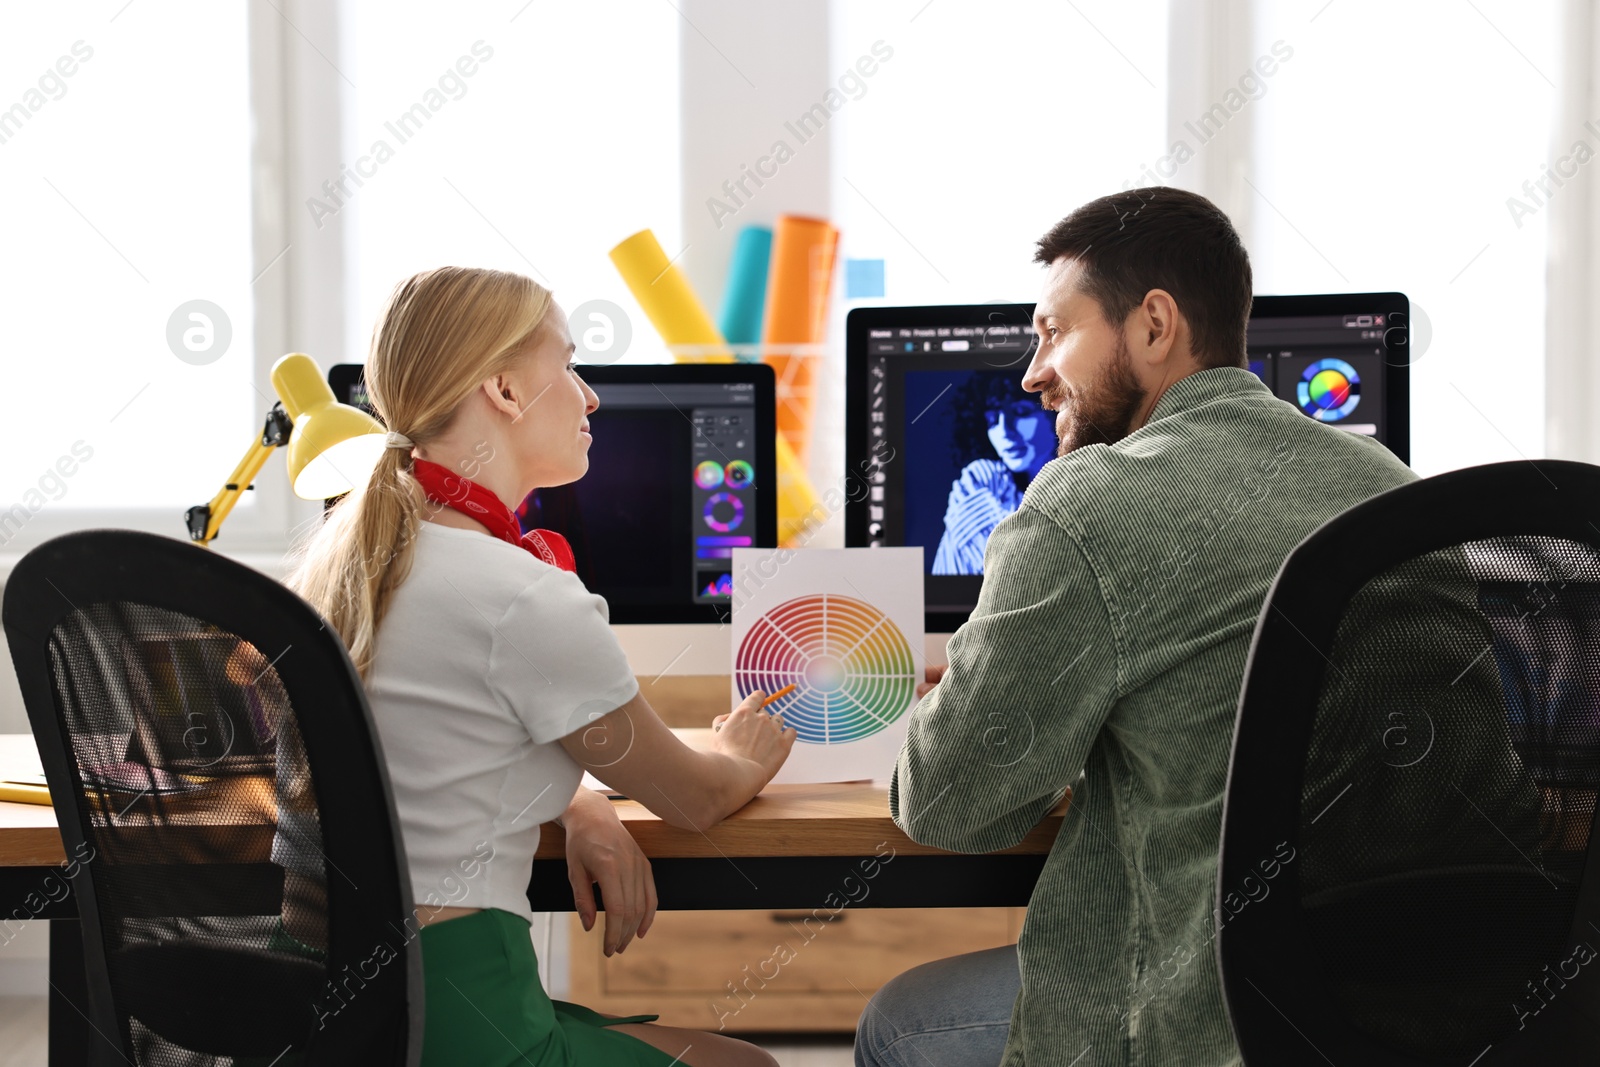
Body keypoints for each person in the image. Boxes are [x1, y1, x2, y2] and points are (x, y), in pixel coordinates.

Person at [856, 187, 1416, 1067]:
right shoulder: (1390, 480)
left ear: (1155, 325)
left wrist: (980, 686)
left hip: (1203, 1016)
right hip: (1416, 998)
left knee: (899, 1021)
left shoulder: (1089, 502)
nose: (1032, 372)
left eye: (1052, 332)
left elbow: (947, 802)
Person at [288, 266, 795, 1067]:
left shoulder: (349, 566)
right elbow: (692, 799)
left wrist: (580, 803)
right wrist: (741, 752)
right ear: (506, 390)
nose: (590, 396)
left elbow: (440, 753)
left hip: (324, 1011)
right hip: (451, 1016)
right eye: (570, 363)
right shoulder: (522, 594)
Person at [932, 375, 1054, 576]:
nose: (1005, 432)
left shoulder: (1084, 483)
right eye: (992, 420)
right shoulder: (982, 478)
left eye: (1021, 412)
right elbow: (1009, 573)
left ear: (1055, 411)